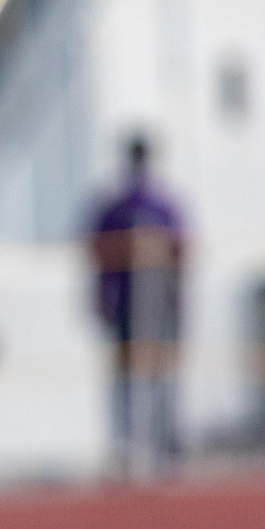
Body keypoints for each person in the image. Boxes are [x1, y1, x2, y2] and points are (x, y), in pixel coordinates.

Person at [87, 133, 185, 472]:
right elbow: (98, 252)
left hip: (155, 302)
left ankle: (160, 442)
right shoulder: (118, 205)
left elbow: (179, 252)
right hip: (128, 302)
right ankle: (129, 444)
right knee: (127, 374)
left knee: (157, 371)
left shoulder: (161, 204)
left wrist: (176, 297)